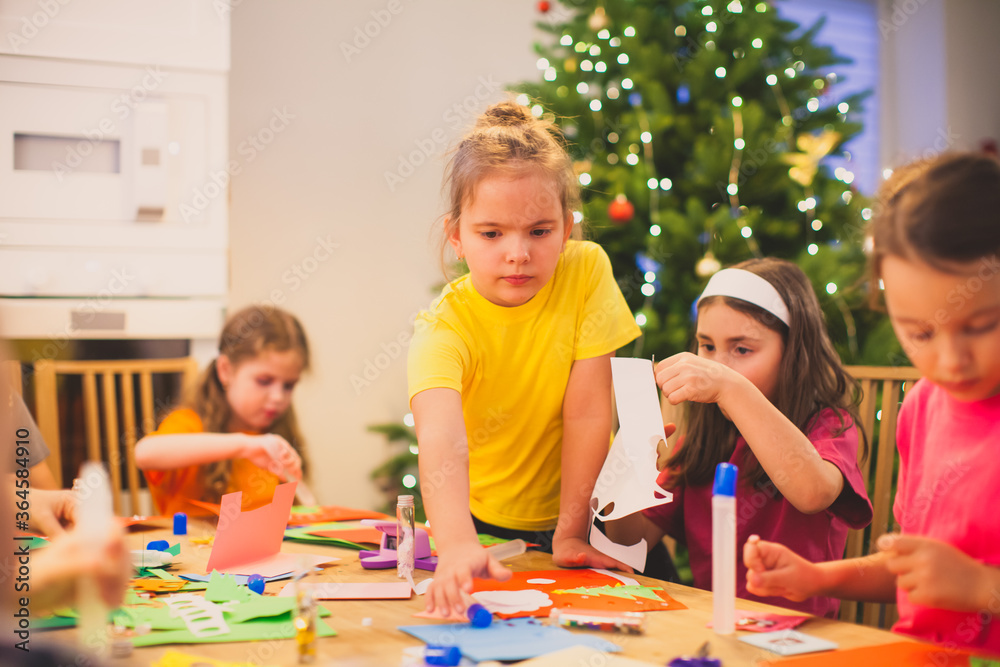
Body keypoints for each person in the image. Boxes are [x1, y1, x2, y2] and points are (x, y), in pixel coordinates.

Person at [744, 152, 1000, 653]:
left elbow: (958, 579)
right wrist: (818, 577)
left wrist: (981, 587)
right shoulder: (922, 407)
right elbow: (919, 569)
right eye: (920, 332)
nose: (951, 360)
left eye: (980, 325)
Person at [408, 100, 645, 617]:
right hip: (486, 530)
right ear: (456, 236)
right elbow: (441, 439)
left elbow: (587, 412)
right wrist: (457, 544)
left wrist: (571, 531)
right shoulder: (444, 328)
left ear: (567, 227)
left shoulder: (586, 271)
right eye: (491, 233)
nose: (518, 253)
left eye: (539, 231)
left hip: (588, 520)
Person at [607, 257, 872, 618]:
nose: (716, 366)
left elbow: (813, 493)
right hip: (712, 625)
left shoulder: (828, 426)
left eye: (742, 349)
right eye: (707, 346)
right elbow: (627, 543)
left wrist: (731, 387)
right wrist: (627, 472)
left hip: (799, 634)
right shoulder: (702, 441)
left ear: (793, 352)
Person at [135, 305, 310, 516]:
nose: (278, 397)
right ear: (225, 370)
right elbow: (145, 453)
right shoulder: (190, 424)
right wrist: (244, 446)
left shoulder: (277, 435)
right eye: (264, 381)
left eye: (288, 386)